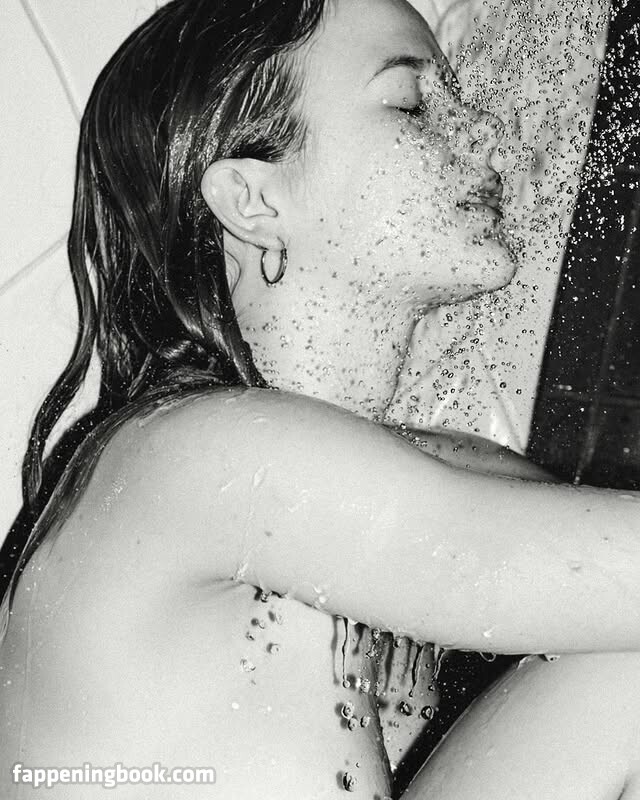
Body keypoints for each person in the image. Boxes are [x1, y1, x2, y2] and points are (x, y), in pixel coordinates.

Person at [1, 0, 639, 797]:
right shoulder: (188, 456)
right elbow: (496, 563)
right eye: (410, 104)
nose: (485, 135)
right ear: (256, 202)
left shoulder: (427, 469)